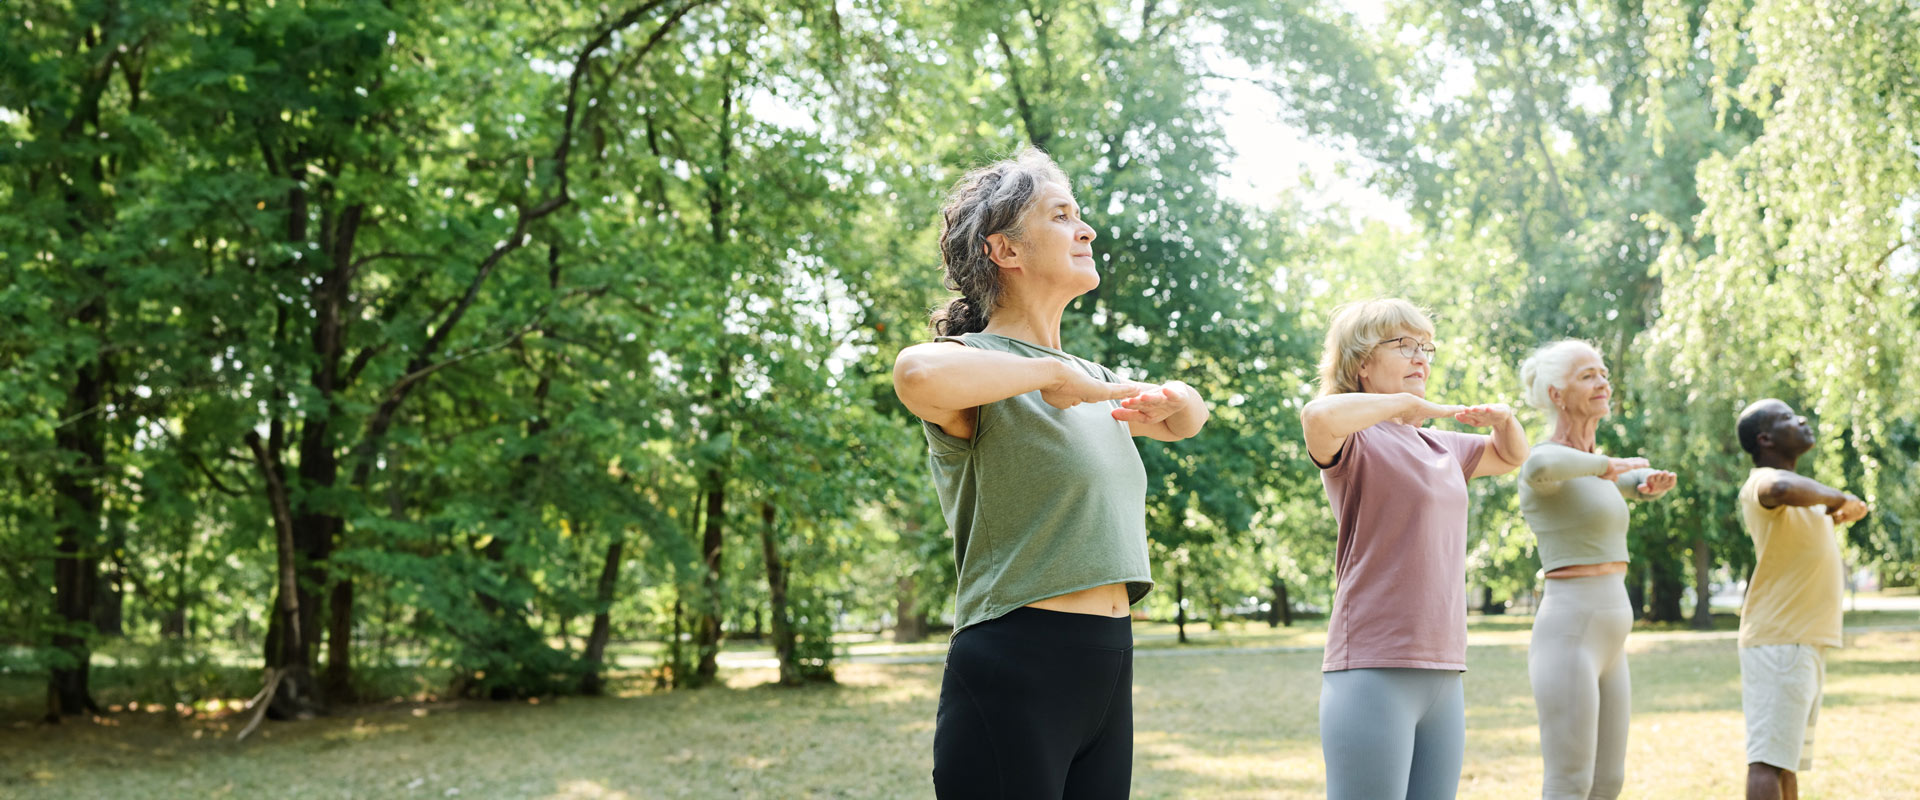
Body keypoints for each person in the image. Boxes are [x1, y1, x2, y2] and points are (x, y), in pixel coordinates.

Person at [892, 146, 1210, 799]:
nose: (1086, 229)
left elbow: (1186, 421)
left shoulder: (1094, 379)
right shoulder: (978, 364)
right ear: (1005, 251)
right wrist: (1055, 373)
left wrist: (1177, 396)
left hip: (1107, 663)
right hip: (1016, 662)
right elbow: (914, 374)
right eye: (1062, 215)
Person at [1299, 298, 1528, 800]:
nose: (1421, 357)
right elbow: (1317, 416)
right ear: (1361, 363)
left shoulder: (1443, 446)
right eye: (1404, 346)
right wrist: (1405, 405)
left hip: (1444, 669)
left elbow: (1510, 455)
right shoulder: (1354, 440)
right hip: (1372, 665)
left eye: (1426, 347)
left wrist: (1505, 418)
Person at [1515, 340, 1678, 799]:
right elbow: (1543, 464)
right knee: (1570, 782)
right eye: (1586, 375)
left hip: (1611, 640)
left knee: (1608, 783)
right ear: (1556, 395)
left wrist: (1646, 486)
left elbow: (1625, 480)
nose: (1602, 382)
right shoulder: (1548, 462)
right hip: (1570, 634)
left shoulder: (1597, 468)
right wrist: (1609, 465)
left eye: (1603, 372)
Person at [1733, 399, 1868, 800]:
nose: (1802, 419)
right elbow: (1781, 488)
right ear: (1766, 439)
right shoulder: (1763, 480)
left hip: (1800, 642)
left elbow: (1797, 493)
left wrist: (1834, 505)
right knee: (1766, 761)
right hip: (1780, 642)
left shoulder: (1805, 499)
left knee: (1785, 760)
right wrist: (1839, 497)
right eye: (1788, 418)